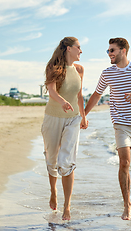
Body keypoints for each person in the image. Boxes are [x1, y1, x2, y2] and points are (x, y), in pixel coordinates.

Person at [84, 37, 131, 220]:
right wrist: (84, 114)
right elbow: (96, 95)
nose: (109, 54)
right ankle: (127, 204)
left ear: (123, 51)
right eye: (108, 51)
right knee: (124, 162)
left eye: (112, 50)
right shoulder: (107, 73)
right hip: (120, 123)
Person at [41, 36, 88, 221]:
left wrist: (83, 116)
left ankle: (67, 206)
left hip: (73, 119)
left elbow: (80, 95)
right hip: (53, 118)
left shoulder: (80, 70)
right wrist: (62, 102)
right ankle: (53, 191)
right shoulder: (54, 67)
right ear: (69, 48)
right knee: (52, 159)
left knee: (66, 161)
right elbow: (51, 91)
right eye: (79, 47)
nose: (81, 51)